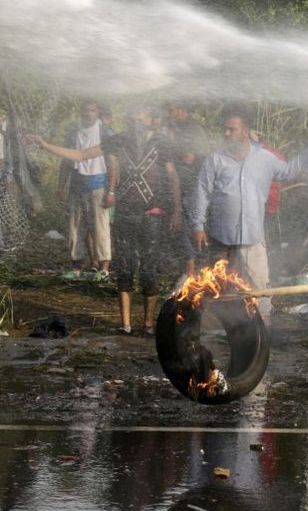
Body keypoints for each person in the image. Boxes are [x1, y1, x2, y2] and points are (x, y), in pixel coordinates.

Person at [29, 106, 182, 335]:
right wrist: (45, 145)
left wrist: (177, 210)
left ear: (150, 118)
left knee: (149, 269)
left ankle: (148, 324)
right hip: (126, 213)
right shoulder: (118, 141)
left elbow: (172, 177)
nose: (134, 118)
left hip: (152, 214)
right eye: (132, 115)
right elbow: (82, 155)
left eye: (139, 114)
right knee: (125, 268)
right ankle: (125, 325)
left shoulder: (161, 143)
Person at [189, 104, 308, 324]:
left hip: (253, 238)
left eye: (232, 129)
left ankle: (261, 330)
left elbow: (289, 171)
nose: (227, 133)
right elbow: (202, 192)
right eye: (225, 129)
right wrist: (198, 226)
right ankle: (224, 328)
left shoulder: (264, 158)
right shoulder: (215, 160)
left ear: (245, 131)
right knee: (221, 285)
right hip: (222, 236)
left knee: (258, 286)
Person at [57, 100, 113, 279]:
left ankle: (104, 267)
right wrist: (61, 185)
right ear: (81, 112)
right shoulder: (73, 133)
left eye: (92, 110)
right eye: (85, 111)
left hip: (98, 184)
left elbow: (113, 164)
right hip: (77, 184)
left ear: (97, 113)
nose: (88, 114)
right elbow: (65, 159)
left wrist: (111, 190)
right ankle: (77, 265)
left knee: (100, 226)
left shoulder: (105, 132)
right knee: (75, 226)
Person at [163, 101, 213, 279]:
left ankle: (196, 276)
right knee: (186, 232)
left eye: (171, 110)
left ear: (182, 110)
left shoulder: (192, 129)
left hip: (195, 188)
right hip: (185, 188)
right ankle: (193, 275)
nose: (168, 114)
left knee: (194, 232)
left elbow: (188, 157)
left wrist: (171, 139)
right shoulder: (183, 128)